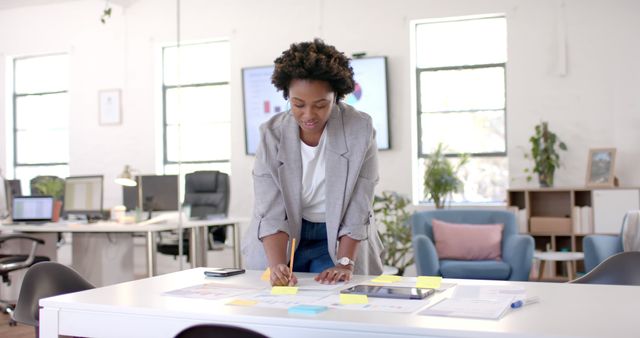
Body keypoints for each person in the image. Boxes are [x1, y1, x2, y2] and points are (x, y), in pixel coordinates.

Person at [242, 39, 383, 286]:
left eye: (320, 105)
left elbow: (359, 203)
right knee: (275, 303)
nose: (308, 115)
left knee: (336, 299)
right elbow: (270, 208)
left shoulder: (360, 130)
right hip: (282, 236)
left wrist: (344, 263)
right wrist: (276, 265)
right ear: (287, 96)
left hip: (339, 235)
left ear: (336, 97)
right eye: (298, 104)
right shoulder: (271, 134)